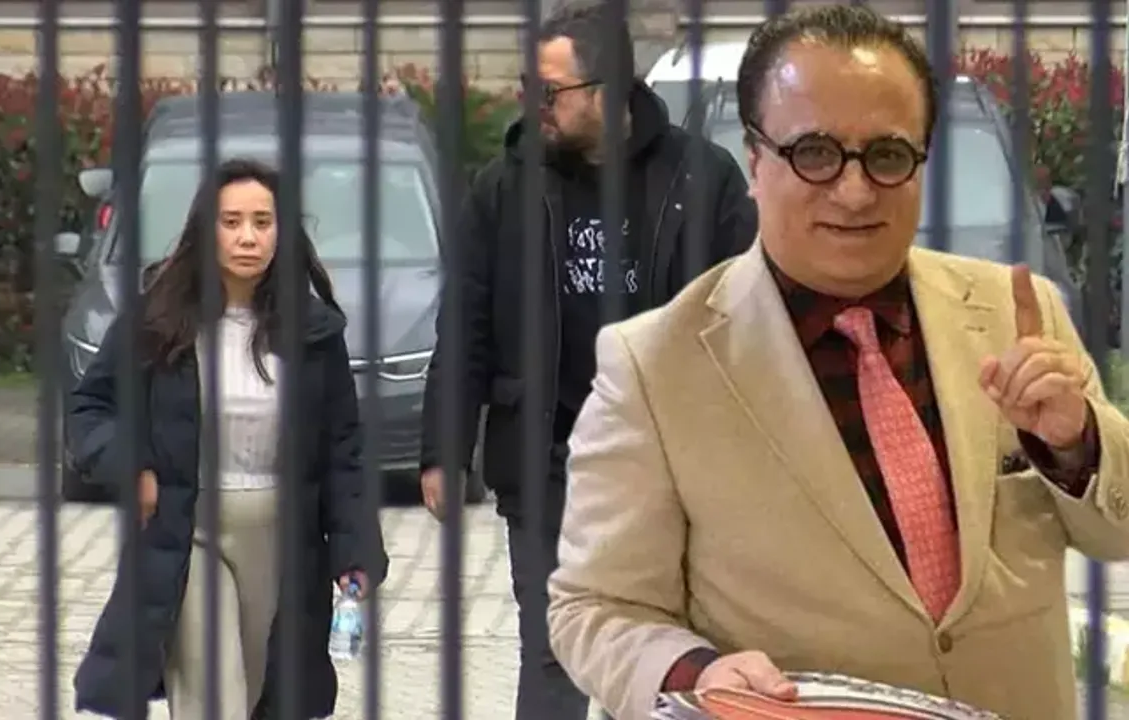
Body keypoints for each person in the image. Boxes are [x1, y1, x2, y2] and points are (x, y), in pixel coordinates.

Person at [546, 6, 1129, 720]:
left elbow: (1116, 530)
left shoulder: (1017, 314)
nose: (854, 193)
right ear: (755, 161)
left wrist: (1077, 443)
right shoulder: (655, 367)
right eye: (814, 153)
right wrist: (698, 673)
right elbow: (595, 606)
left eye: (888, 155)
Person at [416, 1, 757, 718]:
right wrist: (442, 449)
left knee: (674, 651)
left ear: (607, 91)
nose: (533, 105)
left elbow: (748, 324)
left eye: (550, 91)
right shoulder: (504, 187)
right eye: (527, 88)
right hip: (545, 461)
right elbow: (467, 323)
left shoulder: (703, 179)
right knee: (553, 651)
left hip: (670, 466)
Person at [68, 158, 388, 720]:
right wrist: (131, 464)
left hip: (281, 539)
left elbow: (344, 451)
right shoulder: (158, 321)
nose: (248, 238)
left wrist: (355, 549)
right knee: (214, 695)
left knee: (261, 692)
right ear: (205, 230)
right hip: (187, 530)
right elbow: (89, 408)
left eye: (263, 222)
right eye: (231, 221)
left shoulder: (314, 333)